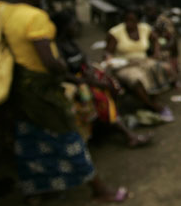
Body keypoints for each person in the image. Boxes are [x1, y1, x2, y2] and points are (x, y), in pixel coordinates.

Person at [0, 0, 127, 204]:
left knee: (29, 140)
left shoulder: (4, 11)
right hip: (42, 90)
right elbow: (49, 61)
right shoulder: (36, 18)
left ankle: (38, 189)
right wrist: (64, 69)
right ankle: (98, 188)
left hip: (19, 86)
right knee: (69, 136)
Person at [51, 10, 152, 148]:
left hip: (86, 75)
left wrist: (91, 70)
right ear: (64, 27)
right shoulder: (57, 47)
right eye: (73, 25)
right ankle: (129, 135)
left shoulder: (71, 42)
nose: (76, 28)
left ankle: (111, 121)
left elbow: (84, 58)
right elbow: (64, 74)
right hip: (76, 81)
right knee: (100, 97)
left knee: (113, 84)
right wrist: (87, 81)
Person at [105, 7, 174, 121]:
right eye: (127, 20)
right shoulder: (115, 32)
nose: (129, 23)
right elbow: (108, 52)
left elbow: (155, 40)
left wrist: (156, 52)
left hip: (143, 61)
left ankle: (153, 98)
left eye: (132, 20)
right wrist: (109, 59)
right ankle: (153, 106)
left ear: (138, 20)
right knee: (136, 79)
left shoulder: (144, 28)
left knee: (163, 68)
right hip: (124, 65)